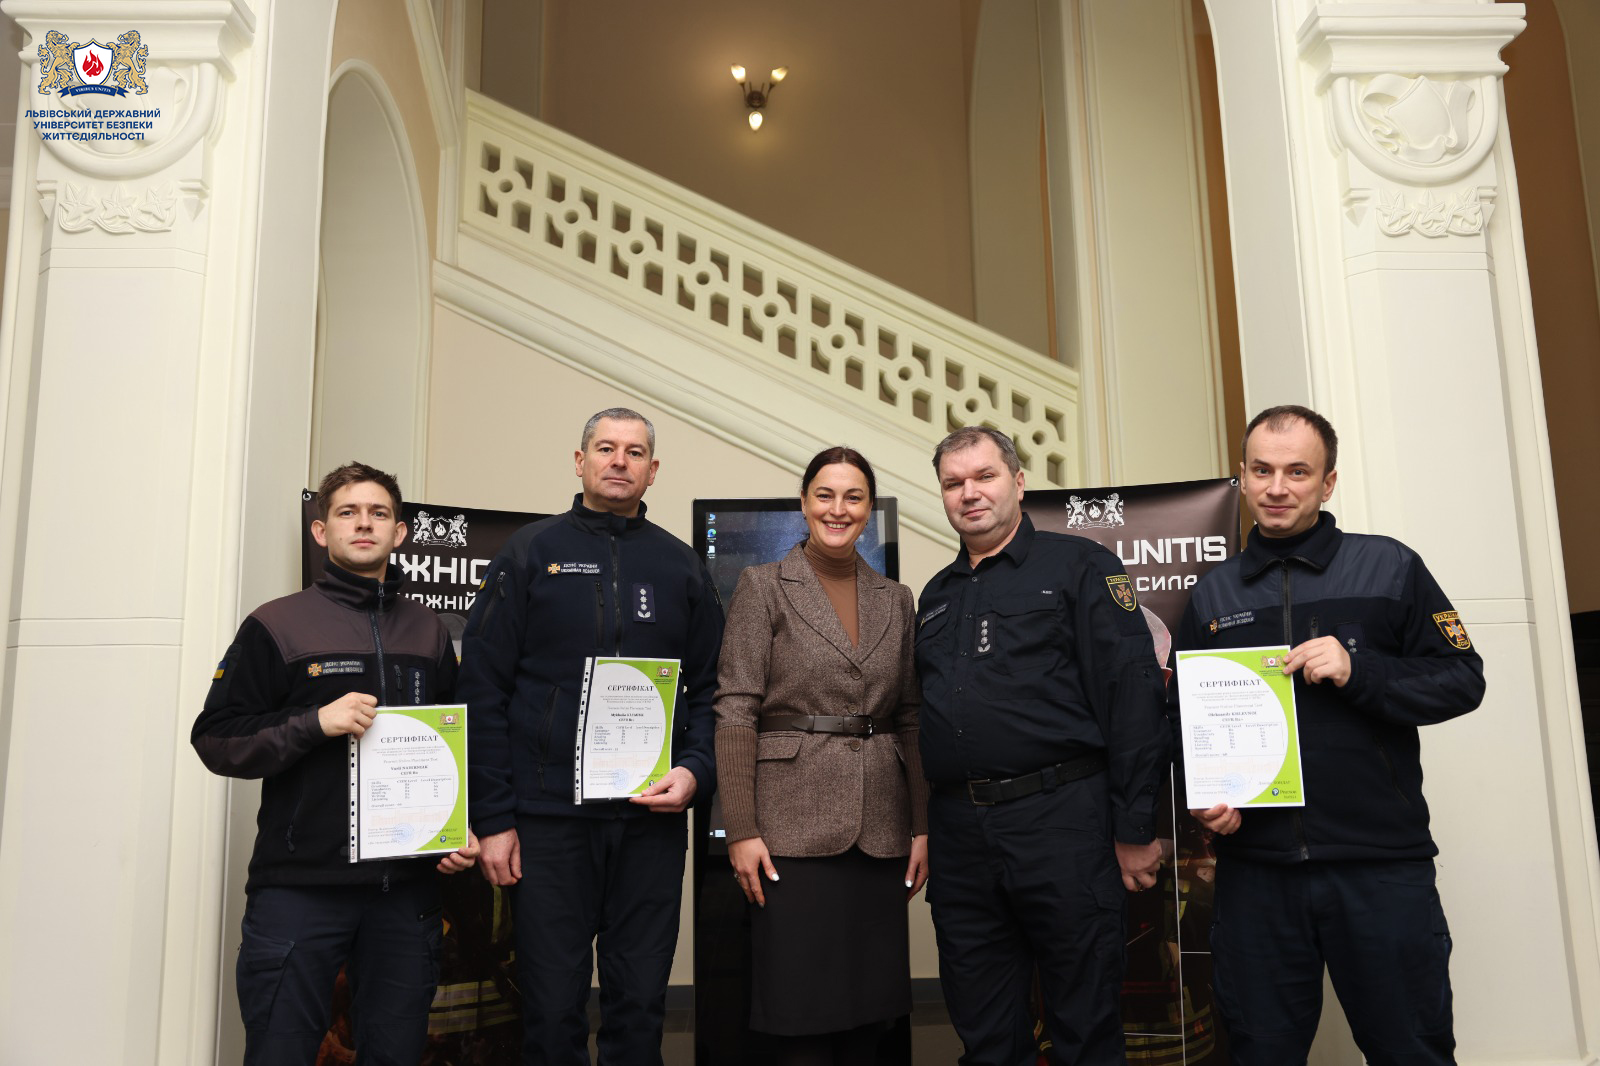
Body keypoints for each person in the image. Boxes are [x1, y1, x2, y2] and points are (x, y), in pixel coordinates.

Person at [1176, 405, 1484, 1065]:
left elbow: (1463, 679)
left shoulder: (1391, 567)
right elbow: (1183, 722)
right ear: (1242, 476)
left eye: (1297, 472)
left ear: (1328, 482)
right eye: (1262, 470)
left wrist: (1358, 669)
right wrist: (1206, 801)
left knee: (1411, 1051)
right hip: (1256, 876)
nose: (1277, 488)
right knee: (1260, 1052)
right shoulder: (1212, 595)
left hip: (1379, 868)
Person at [192, 461, 480, 1066]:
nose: (364, 523)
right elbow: (215, 739)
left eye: (379, 513)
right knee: (281, 1051)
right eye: (348, 512)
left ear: (400, 532)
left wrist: (456, 827)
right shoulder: (276, 624)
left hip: (404, 891)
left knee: (397, 1052)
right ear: (321, 531)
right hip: (301, 890)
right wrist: (314, 722)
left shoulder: (428, 631)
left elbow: (450, 748)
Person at [459, 407, 724, 1065]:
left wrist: (695, 771)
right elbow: (482, 691)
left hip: (650, 821)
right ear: (579, 461)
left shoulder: (682, 566)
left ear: (653, 471)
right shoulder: (529, 553)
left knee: (640, 1004)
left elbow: (714, 691)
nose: (619, 461)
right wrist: (494, 818)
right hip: (549, 821)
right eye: (605, 448)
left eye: (634, 452)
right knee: (551, 1007)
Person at [914, 426, 1170, 1066]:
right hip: (961, 837)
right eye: (953, 483)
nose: (969, 493)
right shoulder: (937, 595)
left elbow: (1133, 699)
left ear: (1019, 482)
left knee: (1084, 1026)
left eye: (985, 476)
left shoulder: (1081, 566)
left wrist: (1136, 827)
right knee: (984, 1029)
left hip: (1062, 822)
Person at [714, 447, 930, 1065]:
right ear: (805, 503)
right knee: (800, 1013)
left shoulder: (897, 598)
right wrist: (741, 829)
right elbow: (736, 709)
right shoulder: (762, 586)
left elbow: (911, 716)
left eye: (853, 497)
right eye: (826, 495)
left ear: (869, 509)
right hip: (790, 828)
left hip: (881, 827)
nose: (839, 509)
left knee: (870, 1018)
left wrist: (922, 825)